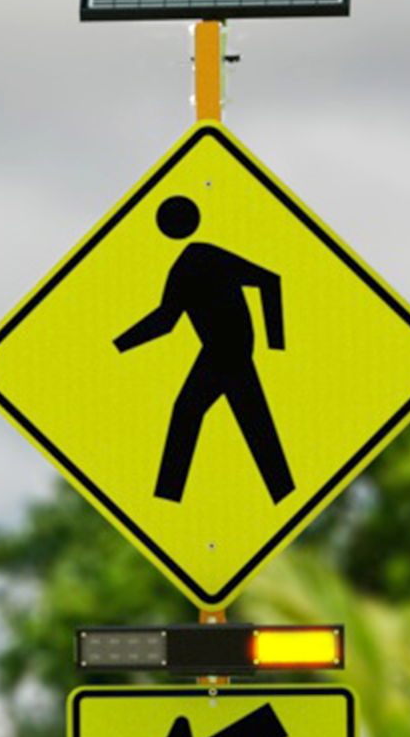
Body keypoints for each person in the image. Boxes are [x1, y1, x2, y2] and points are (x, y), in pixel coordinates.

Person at [111, 192, 289, 506]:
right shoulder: (185, 266)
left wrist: (276, 343)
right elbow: (167, 319)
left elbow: (269, 280)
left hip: (227, 350)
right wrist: (119, 345)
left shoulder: (202, 257)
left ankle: (167, 497)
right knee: (246, 420)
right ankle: (282, 492)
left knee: (192, 413)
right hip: (222, 350)